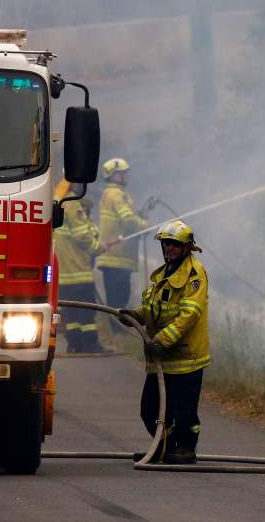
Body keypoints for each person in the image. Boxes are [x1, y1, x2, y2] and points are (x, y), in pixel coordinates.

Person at [119, 219, 210, 465]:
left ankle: (186, 449)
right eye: (166, 243)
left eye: (174, 244)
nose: (169, 248)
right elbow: (156, 307)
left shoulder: (194, 274)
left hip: (184, 357)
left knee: (184, 411)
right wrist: (136, 316)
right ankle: (163, 448)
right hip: (160, 357)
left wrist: (162, 340)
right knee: (150, 410)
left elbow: (190, 314)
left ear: (186, 247)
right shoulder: (164, 274)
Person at [53, 180, 108, 354]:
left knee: (71, 314)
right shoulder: (73, 204)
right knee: (87, 311)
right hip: (79, 270)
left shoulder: (61, 203)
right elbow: (82, 235)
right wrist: (97, 247)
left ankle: (74, 344)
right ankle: (91, 344)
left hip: (64, 272)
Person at [96, 158, 149, 309]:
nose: (125, 176)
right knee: (119, 298)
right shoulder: (117, 195)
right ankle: (117, 329)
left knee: (117, 297)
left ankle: (116, 329)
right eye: (121, 174)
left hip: (114, 256)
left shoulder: (109, 194)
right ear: (112, 176)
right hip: (117, 255)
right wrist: (144, 225)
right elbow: (128, 220)